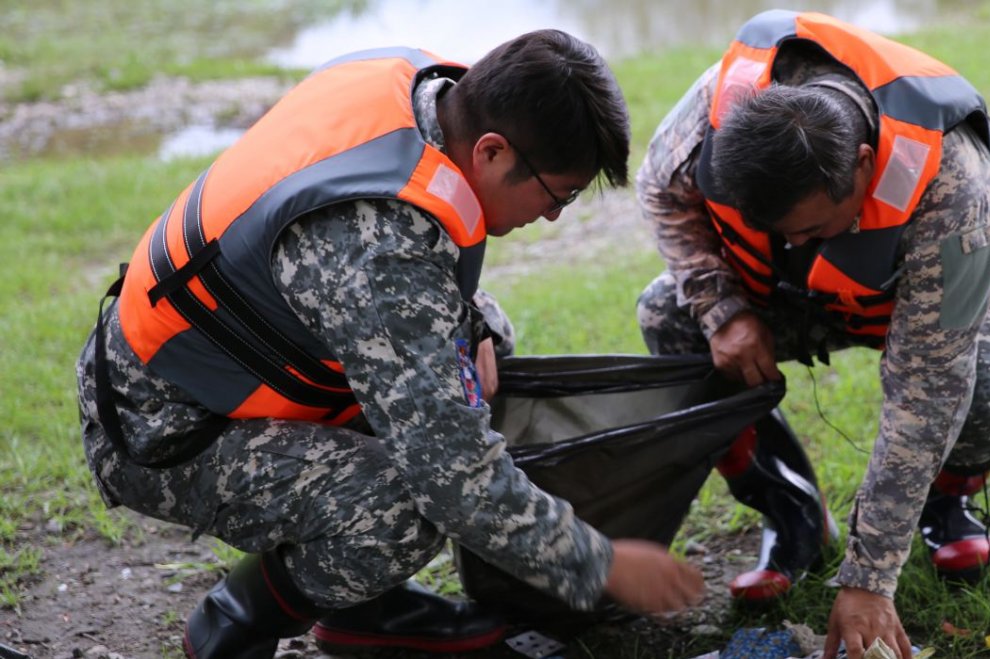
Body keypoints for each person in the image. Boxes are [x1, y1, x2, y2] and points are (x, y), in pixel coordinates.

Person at [76, 30, 704, 659]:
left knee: (489, 342)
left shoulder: (415, 87)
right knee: (406, 507)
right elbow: (455, 482)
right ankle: (235, 621)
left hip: (216, 357)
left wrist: (472, 326)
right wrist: (603, 565)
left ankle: (361, 612)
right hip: (160, 428)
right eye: (558, 193)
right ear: (490, 151)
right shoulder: (378, 251)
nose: (553, 217)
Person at [635, 10, 990, 659]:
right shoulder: (711, 120)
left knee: (988, 382)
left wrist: (868, 578)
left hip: (953, 295)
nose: (791, 244)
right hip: (816, 294)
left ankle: (946, 505)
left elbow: (929, 386)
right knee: (668, 313)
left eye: (810, 228)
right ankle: (793, 512)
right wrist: (725, 309)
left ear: (862, 165)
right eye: (779, 232)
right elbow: (659, 190)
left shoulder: (952, 185)